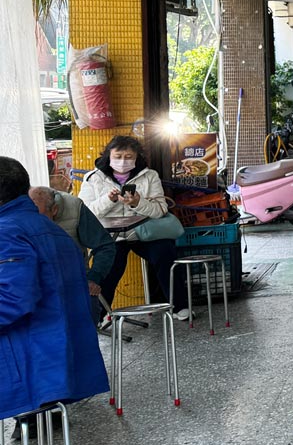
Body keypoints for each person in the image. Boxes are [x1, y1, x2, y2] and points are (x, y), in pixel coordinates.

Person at [0, 157, 110, 427]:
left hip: (26, 363)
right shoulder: (51, 230)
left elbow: (14, 298)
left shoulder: (7, 232)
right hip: (55, 362)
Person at [79, 136, 187, 318]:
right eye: (118, 156)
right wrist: (108, 200)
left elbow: (160, 210)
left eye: (129, 156)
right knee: (108, 267)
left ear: (137, 157)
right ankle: (97, 316)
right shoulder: (93, 178)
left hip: (144, 233)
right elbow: (86, 213)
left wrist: (138, 202)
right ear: (108, 156)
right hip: (111, 237)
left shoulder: (149, 175)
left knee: (165, 253)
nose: (123, 161)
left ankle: (179, 306)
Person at [29, 186, 115, 303]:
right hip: (34, 283)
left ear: (54, 210)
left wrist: (93, 278)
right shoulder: (17, 211)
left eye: (40, 217)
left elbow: (104, 246)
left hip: (74, 280)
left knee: (89, 306)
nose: (35, 222)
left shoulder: (74, 208)